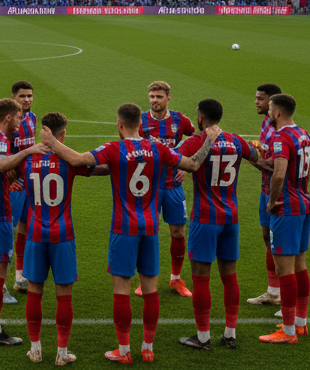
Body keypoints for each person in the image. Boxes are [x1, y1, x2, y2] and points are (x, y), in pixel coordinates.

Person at [39, 103, 218, 365]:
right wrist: (209, 141)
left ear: (120, 125)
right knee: (151, 290)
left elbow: (77, 160)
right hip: (150, 228)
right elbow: (191, 165)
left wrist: (52, 142)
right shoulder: (158, 148)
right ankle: (147, 347)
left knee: (122, 291)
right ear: (141, 125)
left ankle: (123, 351)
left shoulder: (114, 149)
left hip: (123, 229)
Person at [174, 98, 261, 351]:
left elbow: (173, 159)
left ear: (200, 118)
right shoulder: (236, 140)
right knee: (229, 276)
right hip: (231, 218)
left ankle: (202, 338)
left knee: (201, 279)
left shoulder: (195, 141)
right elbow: (257, 155)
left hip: (205, 218)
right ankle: (230, 335)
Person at [22, 111, 102, 365]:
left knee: (34, 290)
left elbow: (5, 171)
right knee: (63, 293)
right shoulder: (70, 162)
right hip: (63, 234)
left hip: (34, 234)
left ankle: (35, 349)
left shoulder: (26, 160)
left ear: (41, 131)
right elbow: (102, 169)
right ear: (63, 133)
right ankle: (61, 352)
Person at [0, 97, 47, 347]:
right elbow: (2, 164)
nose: (20, 122)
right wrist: (28, 150)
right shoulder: (2, 141)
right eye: (18, 117)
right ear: (8, 117)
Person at [259, 93, 310, 344]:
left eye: (270, 109)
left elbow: (279, 173)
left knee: (284, 269)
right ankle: (300, 323)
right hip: (304, 204)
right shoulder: (302, 133)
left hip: (286, 210)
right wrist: (302, 186)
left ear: (277, 113)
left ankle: (287, 331)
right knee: (300, 265)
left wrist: (273, 201)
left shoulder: (280, 137)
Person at [136, 81, 196, 297]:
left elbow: (198, 138)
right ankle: (145, 280)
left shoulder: (180, 120)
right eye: (152, 96)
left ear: (168, 97)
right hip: (148, 188)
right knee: (146, 232)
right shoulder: (140, 121)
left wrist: (187, 165)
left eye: (159, 97)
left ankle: (176, 279)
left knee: (178, 232)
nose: (155, 100)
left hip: (173, 186)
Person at [246, 83, 283, 307]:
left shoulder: (282, 132)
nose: (256, 102)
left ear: (272, 103)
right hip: (265, 191)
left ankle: (288, 301)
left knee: (282, 246)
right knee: (267, 240)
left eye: (260, 99)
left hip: (278, 194)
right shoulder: (265, 123)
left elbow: (275, 167)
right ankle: (273, 291)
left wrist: (250, 156)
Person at [9, 80, 37, 294]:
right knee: (6, 233)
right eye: (22, 96)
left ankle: (20, 277)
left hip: (29, 183)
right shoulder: (9, 121)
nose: (26, 99)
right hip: (13, 187)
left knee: (25, 229)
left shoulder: (33, 118)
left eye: (29, 96)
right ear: (13, 98)